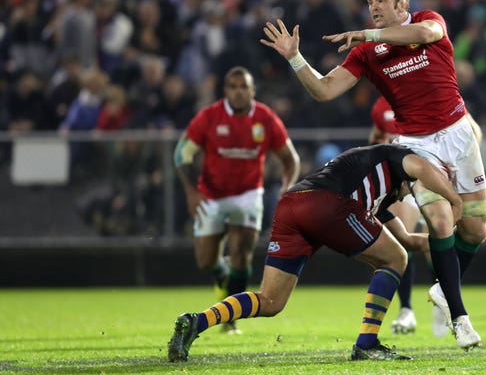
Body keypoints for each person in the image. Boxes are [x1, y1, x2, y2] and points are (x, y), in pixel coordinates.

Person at [261, 0, 486, 350]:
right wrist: (295, 58)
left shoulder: (428, 21)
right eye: (369, 2)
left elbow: (428, 33)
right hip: (416, 143)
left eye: (380, 1)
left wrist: (368, 34)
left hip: (460, 133)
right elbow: (324, 89)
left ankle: (444, 292)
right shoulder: (365, 54)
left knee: (476, 231)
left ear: (402, 5)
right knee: (441, 218)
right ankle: (461, 320)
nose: (373, 8)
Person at [167, 143, 463, 362]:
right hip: (327, 204)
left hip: (292, 205)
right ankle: (366, 343)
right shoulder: (396, 154)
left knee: (271, 301)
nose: (409, 195)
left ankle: (194, 322)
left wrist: (446, 241)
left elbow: (409, 240)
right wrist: (453, 199)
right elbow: (423, 169)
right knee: (394, 259)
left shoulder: (376, 196)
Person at [174, 66, 300, 334]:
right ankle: (222, 273)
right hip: (211, 195)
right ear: (225, 91)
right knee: (206, 261)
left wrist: (286, 188)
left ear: (253, 90)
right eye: (233, 86)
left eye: (244, 86)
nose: (239, 92)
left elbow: (291, 159)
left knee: (242, 254)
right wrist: (191, 192)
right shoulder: (210, 116)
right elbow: (181, 154)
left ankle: (229, 320)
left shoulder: (265, 118)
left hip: (248, 194)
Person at [369, 95, 426, 335]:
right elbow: (375, 137)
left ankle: (444, 302)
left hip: (422, 177)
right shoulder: (380, 105)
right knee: (402, 240)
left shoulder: (421, 94)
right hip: (396, 181)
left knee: (413, 242)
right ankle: (407, 309)